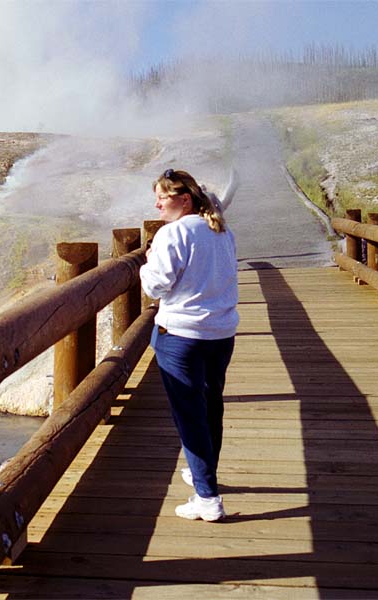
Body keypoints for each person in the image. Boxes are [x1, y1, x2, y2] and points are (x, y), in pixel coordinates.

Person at [139, 168, 239, 522]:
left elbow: (155, 286)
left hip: (181, 335)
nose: (156, 204)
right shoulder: (220, 229)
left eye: (162, 198)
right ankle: (203, 474)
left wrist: (146, 262)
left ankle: (207, 498)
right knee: (211, 407)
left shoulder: (173, 233)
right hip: (220, 333)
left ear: (184, 199)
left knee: (188, 416)